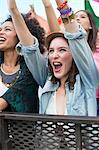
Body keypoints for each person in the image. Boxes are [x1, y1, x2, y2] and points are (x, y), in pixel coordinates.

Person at [7, 0, 98, 116]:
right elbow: (29, 47)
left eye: (62, 50)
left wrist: (61, 4)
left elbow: (75, 36)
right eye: (51, 51)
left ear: (74, 56)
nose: (54, 55)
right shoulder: (46, 80)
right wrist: (12, 9)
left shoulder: (87, 80)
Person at [0, 2, 46, 112]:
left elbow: (19, 92)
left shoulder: (32, 70)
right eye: (0, 30)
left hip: (23, 128)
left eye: (7, 29)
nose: (1, 33)